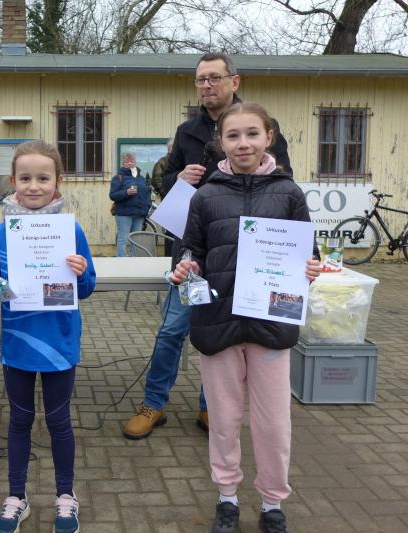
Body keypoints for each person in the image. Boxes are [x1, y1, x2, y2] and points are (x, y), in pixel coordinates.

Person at [123, 52, 292, 440]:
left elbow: (283, 182)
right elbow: (165, 184)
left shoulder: (260, 126)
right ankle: (153, 404)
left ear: (235, 81)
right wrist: (179, 177)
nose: (206, 85)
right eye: (200, 79)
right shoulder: (187, 132)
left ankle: (209, 407)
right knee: (172, 330)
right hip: (193, 252)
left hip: (240, 254)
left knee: (222, 334)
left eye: (214, 77)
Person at [170, 102, 319, 533]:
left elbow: (307, 254)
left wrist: (310, 268)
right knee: (224, 419)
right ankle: (227, 498)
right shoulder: (205, 195)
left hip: (271, 325)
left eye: (252, 133)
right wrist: (186, 265)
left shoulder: (289, 193)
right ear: (221, 142)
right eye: (233, 135)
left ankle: (272, 503)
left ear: (268, 137)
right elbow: (190, 248)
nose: (243, 143)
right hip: (217, 323)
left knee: (273, 424)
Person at [0, 140, 96, 533]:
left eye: (43, 178)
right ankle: (17, 497)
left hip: (59, 342)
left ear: (57, 182)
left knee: (59, 421)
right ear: (12, 181)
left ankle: (66, 496)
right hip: (18, 342)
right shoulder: (1, 232)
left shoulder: (71, 230)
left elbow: (88, 287)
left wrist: (81, 272)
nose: (33, 186)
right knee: (20, 420)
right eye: (25, 178)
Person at [110, 151, 150, 256]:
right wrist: (126, 193)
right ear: (123, 163)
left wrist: (146, 208)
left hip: (139, 214)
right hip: (124, 214)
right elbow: (112, 195)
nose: (130, 163)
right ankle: (121, 260)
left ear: (135, 162)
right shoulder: (118, 177)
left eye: (132, 160)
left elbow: (146, 194)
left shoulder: (141, 178)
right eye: (127, 161)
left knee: (136, 239)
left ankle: (133, 260)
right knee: (123, 238)